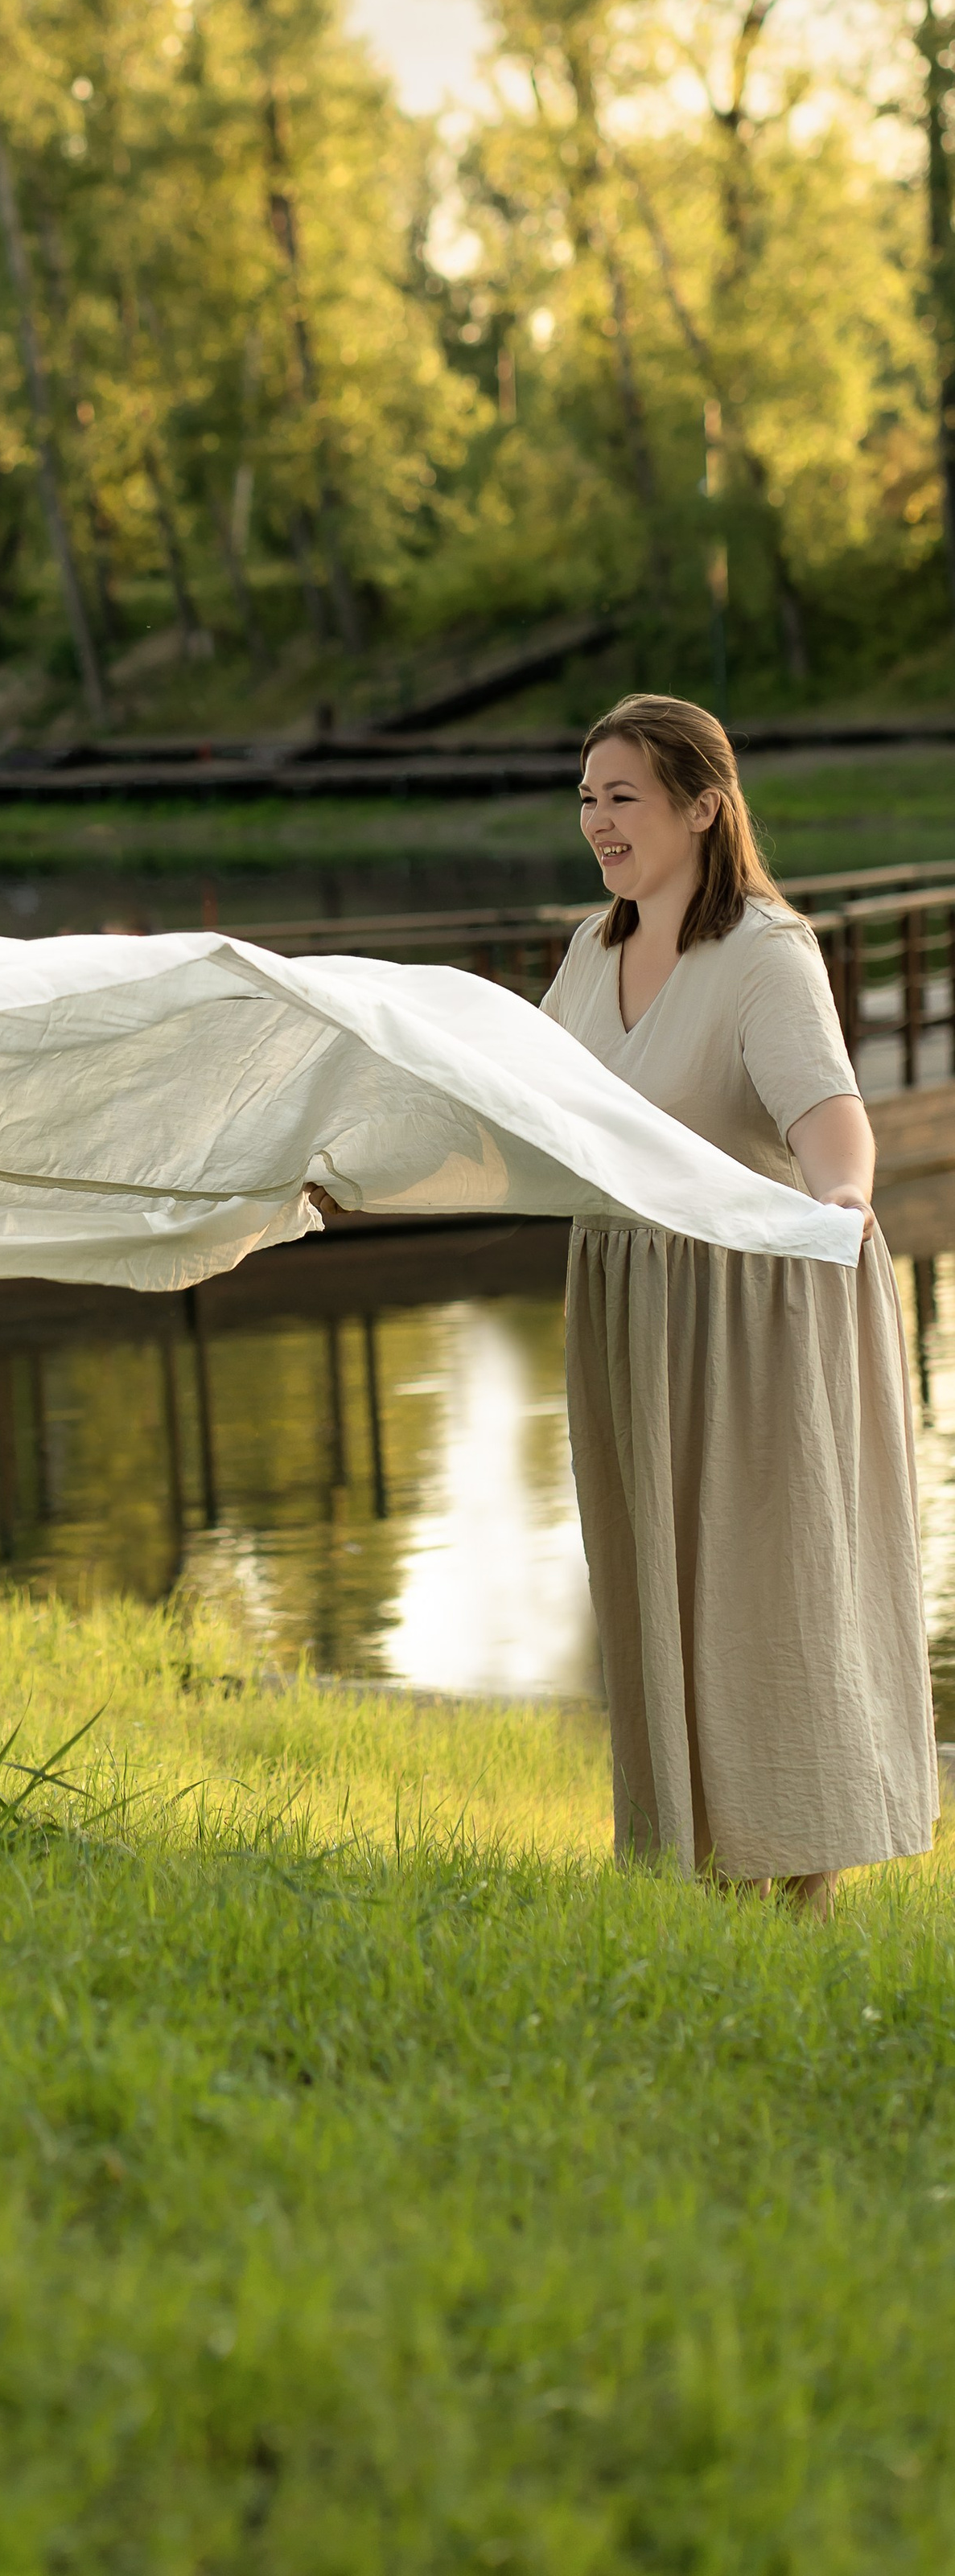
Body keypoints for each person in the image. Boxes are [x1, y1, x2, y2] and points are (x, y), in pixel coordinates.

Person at [542, 695, 936, 1914]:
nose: (601, 821)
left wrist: (844, 1203)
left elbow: (832, 1125)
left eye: (626, 796)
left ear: (704, 804)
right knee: (652, 1579)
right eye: (589, 798)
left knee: (766, 1588)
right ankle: (690, 1874)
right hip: (626, 1297)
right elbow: (518, 1106)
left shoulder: (763, 951)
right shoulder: (590, 952)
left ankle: (799, 1892)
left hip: (752, 1304)